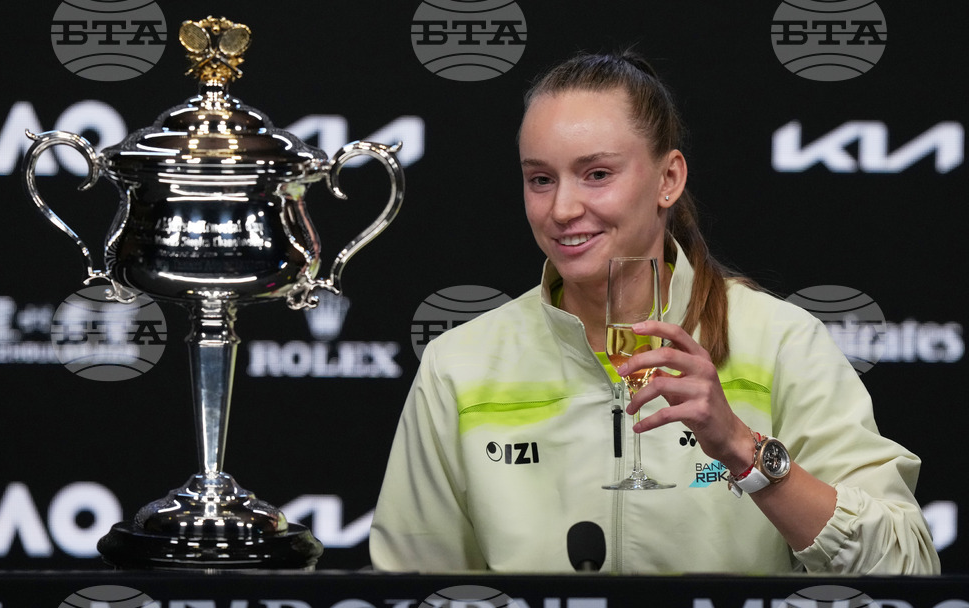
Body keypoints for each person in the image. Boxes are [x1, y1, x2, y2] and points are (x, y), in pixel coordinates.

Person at [369, 49, 941, 575]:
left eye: (597, 174)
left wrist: (743, 451)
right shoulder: (459, 364)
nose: (564, 209)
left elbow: (905, 569)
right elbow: (412, 606)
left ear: (668, 178)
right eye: (540, 179)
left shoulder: (781, 341)